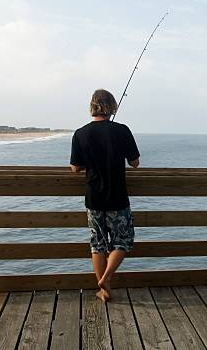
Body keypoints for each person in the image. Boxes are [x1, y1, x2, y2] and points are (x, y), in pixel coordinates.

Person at [70, 89, 140, 302]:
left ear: (92, 106)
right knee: (123, 240)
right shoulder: (122, 130)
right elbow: (135, 162)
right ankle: (106, 278)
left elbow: (75, 167)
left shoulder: (80, 133)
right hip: (117, 197)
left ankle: (103, 289)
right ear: (112, 106)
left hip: (94, 199)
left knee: (97, 244)